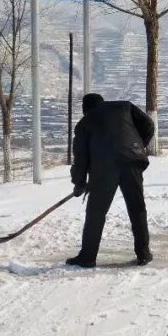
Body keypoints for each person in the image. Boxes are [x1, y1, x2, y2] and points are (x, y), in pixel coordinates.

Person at [68, 93, 154, 268]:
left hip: (105, 168)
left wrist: (79, 183)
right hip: (133, 161)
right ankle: (143, 254)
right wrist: (137, 145)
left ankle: (87, 257)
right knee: (137, 208)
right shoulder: (125, 107)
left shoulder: (85, 123)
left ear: (86, 109)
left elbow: (81, 158)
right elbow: (149, 124)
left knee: (96, 213)